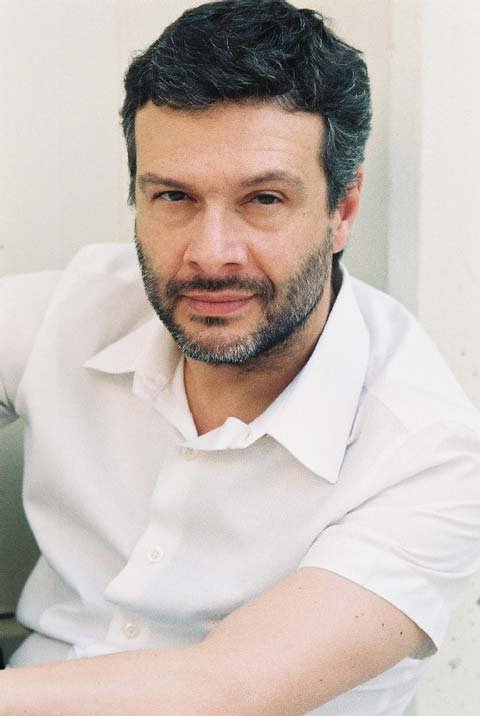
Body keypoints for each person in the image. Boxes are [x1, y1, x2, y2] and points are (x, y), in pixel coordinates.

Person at [1, 0, 480, 714]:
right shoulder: (78, 309)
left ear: (342, 210)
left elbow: (223, 692)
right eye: (174, 196)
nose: (210, 253)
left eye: (263, 199)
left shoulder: (429, 452)